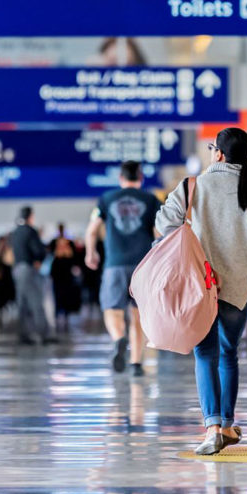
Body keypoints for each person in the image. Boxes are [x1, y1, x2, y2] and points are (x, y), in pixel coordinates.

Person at [154, 127, 247, 456]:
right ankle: (228, 426)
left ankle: (213, 427)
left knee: (205, 354)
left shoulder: (193, 186)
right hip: (238, 288)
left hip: (199, 286)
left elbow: (163, 224)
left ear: (217, 153)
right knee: (229, 355)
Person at [86, 160, 162, 375]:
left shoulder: (106, 199)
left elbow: (92, 230)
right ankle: (136, 363)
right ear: (141, 178)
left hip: (114, 264)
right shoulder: (151, 200)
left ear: (120, 178)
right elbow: (159, 232)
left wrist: (90, 253)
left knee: (112, 309)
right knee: (138, 316)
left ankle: (119, 339)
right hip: (142, 266)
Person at [7, 206, 53, 345]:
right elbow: (38, 250)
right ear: (30, 216)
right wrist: (40, 257)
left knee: (22, 304)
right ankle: (43, 334)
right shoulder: (30, 231)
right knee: (36, 302)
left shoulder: (14, 232)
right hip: (28, 269)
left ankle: (23, 334)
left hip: (17, 269)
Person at [48, 223, 82, 332]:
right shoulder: (54, 242)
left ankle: (65, 312)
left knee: (66, 292)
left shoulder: (69, 242)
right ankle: (58, 311)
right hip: (58, 272)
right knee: (57, 293)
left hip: (66, 272)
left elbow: (74, 257)